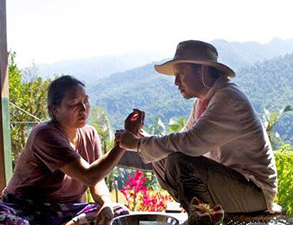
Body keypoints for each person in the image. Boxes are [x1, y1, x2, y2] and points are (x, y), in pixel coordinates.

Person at [0, 75, 142, 225]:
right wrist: (123, 142)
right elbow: (88, 175)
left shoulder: (90, 134)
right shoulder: (45, 135)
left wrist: (105, 204)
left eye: (85, 101)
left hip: (67, 213)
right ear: (55, 109)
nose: (83, 109)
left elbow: (96, 181)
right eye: (74, 104)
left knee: (119, 213)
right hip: (26, 210)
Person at [117, 40, 279, 214]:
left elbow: (190, 143)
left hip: (254, 192)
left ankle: (202, 219)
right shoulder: (203, 101)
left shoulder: (229, 98)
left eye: (180, 74)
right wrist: (141, 137)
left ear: (202, 71)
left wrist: (137, 144)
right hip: (231, 184)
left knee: (178, 162)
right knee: (161, 158)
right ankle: (199, 214)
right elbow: (183, 138)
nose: (176, 82)